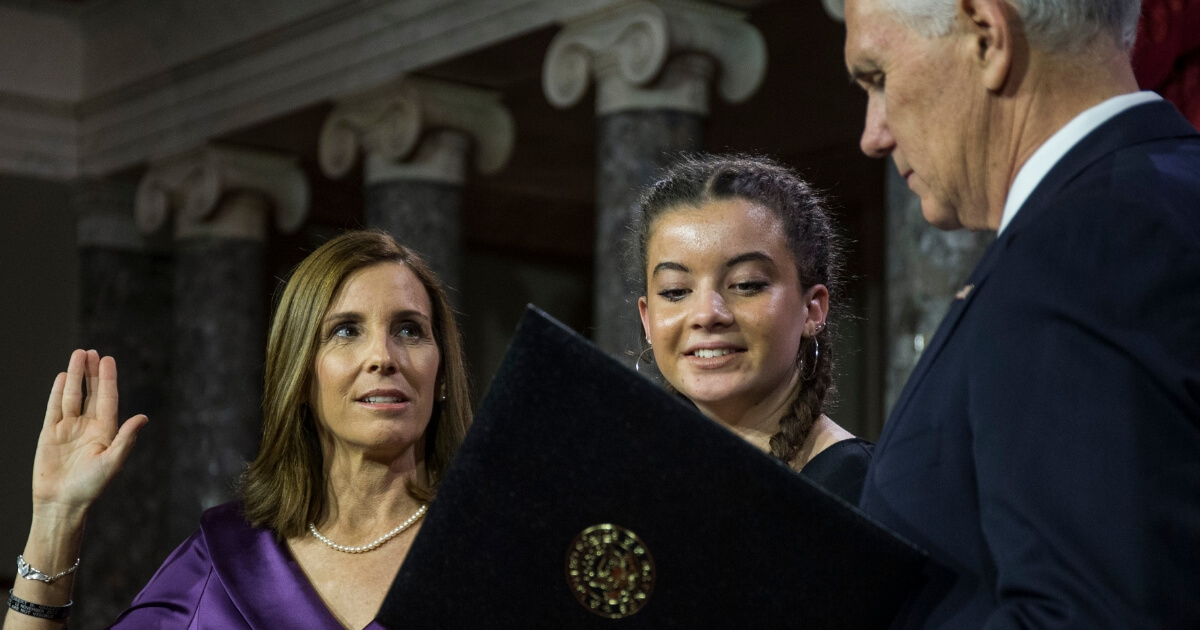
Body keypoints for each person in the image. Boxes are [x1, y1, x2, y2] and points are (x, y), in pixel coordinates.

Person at [843, 0, 1200, 627]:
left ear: (987, 35)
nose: (873, 134)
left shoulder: (1081, 248)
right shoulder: (1164, 191)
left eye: (878, 77)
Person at [5, 230, 472, 629]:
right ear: (301, 376)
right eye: (346, 331)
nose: (384, 357)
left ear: (443, 375)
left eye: (409, 330)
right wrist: (56, 519)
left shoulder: (491, 548)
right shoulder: (223, 563)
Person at [634, 154, 873, 504]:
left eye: (746, 285)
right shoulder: (639, 483)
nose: (706, 314)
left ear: (813, 308)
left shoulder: (865, 491)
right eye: (675, 292)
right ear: (647, 319)